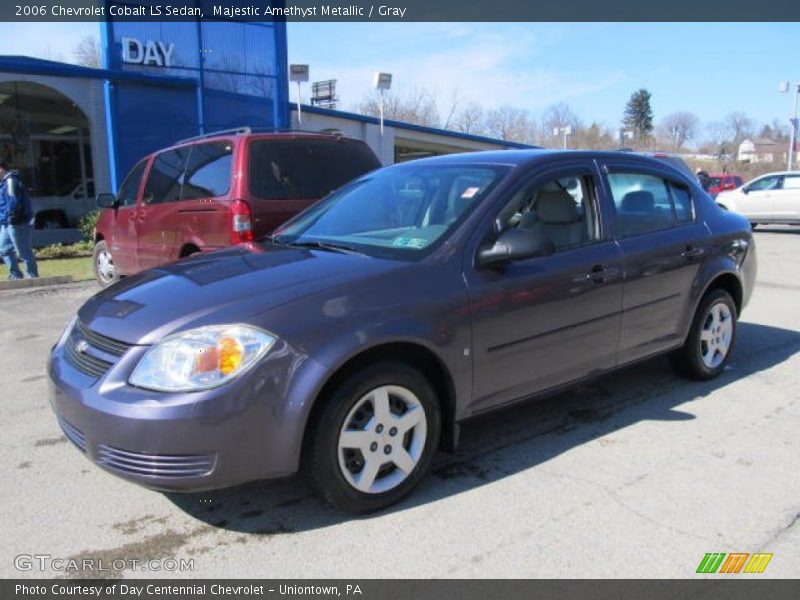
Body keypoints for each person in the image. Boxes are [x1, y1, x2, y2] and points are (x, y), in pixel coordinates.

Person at [0, 160, 38, 279]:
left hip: (16, 222)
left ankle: (32, 275)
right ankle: (15, 274)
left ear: (1, 169)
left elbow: (14, 200)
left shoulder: (11, 180)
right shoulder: (4, 182)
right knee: (4, 248)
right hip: (6, 222)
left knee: (23, 250)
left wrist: (12, 216)